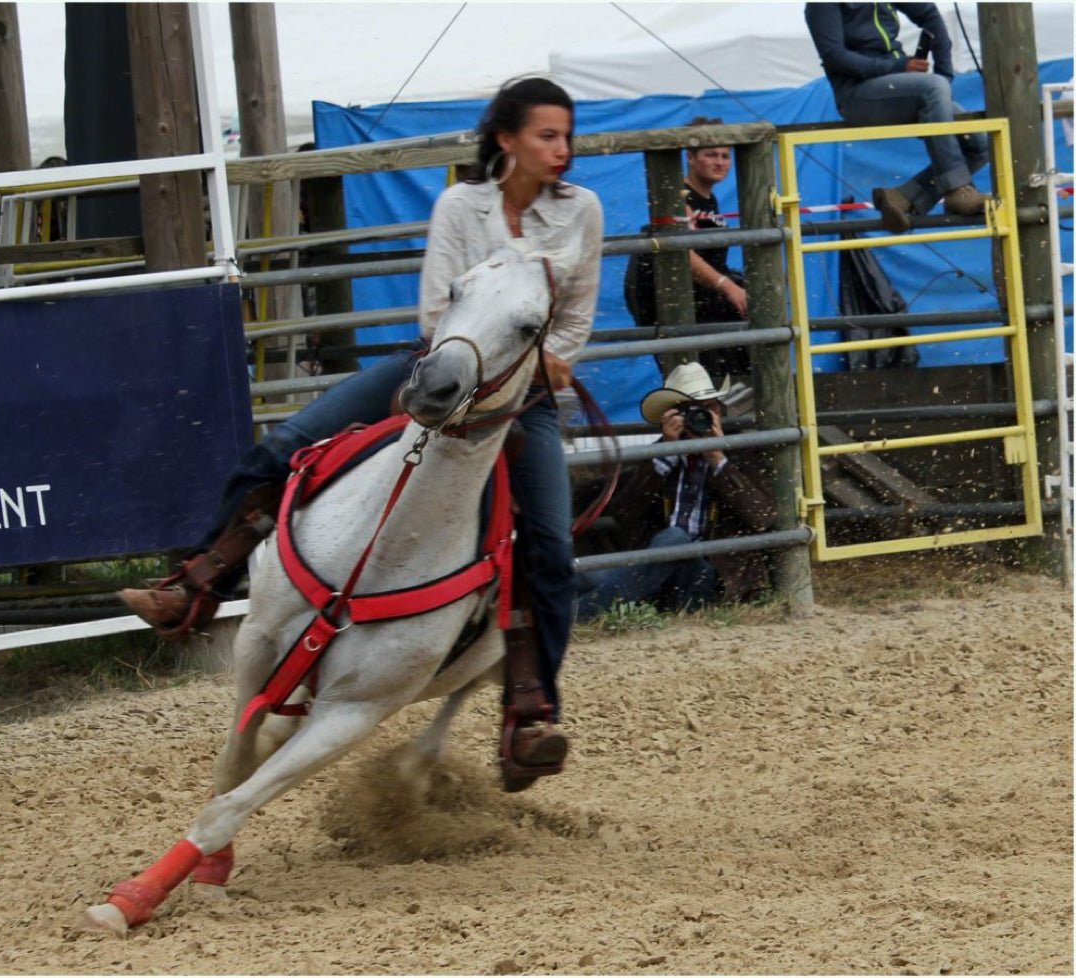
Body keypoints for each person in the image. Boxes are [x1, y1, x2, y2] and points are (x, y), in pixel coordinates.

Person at [121, 77, 604, 782]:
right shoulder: (458, 206)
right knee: (285, 446)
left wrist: (552, 362)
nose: (561, 150)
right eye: (546, 135)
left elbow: (579, 309)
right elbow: (438, 311)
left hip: (519, 391)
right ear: (506, 139)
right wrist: (465, 365)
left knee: (550, 549)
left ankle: (531, 710)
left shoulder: (581, 212)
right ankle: (201, 579)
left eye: (565, 136)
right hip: (440, 371)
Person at [574, 361, 776, 621]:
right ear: (671, 416)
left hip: (712, 576)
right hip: (658, 573)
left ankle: (575, 616)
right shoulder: (661, 453)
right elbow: (625, 515)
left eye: (708, 408)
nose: (698, 418)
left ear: (719, 410)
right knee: (583, 575)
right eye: (689, 411)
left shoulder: (742, 449)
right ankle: (550, 611)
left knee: (673, 539)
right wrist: (665, 455)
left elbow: (763, 516)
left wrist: (718, 459)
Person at [805, 3, 990, 234]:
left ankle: (903, 198)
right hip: (857, 96)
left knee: (980, 144)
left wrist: (945, 72)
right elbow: (834, 56)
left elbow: (929, 14)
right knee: (934, 87)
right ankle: (957, 189)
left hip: (898, 86)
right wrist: (897, 66)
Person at [623, 116, 750, 383]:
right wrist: (729, 286)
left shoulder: (709, 198)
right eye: (711, 154)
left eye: (726, 156)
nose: (720, 162)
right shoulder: (678, 195)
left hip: (702, 305)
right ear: (690, 157)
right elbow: (682, 254)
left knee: (734, 375)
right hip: (675, 306)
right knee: (696, 383)